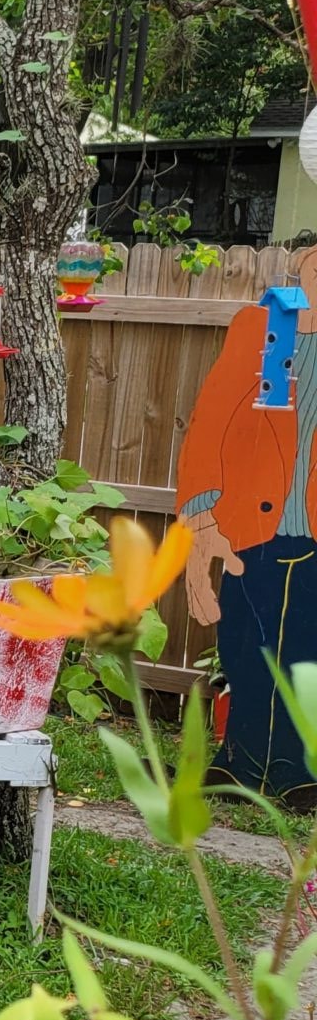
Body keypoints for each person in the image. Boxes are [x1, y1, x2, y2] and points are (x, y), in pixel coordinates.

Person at [178, 241, 317, 794]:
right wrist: (201, 520)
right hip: (250, 531)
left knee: (307, 650)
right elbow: (210, 424)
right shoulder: (261, 327)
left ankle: (296, 769)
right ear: (304, 261)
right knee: (245, 644)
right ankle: (239, 760)